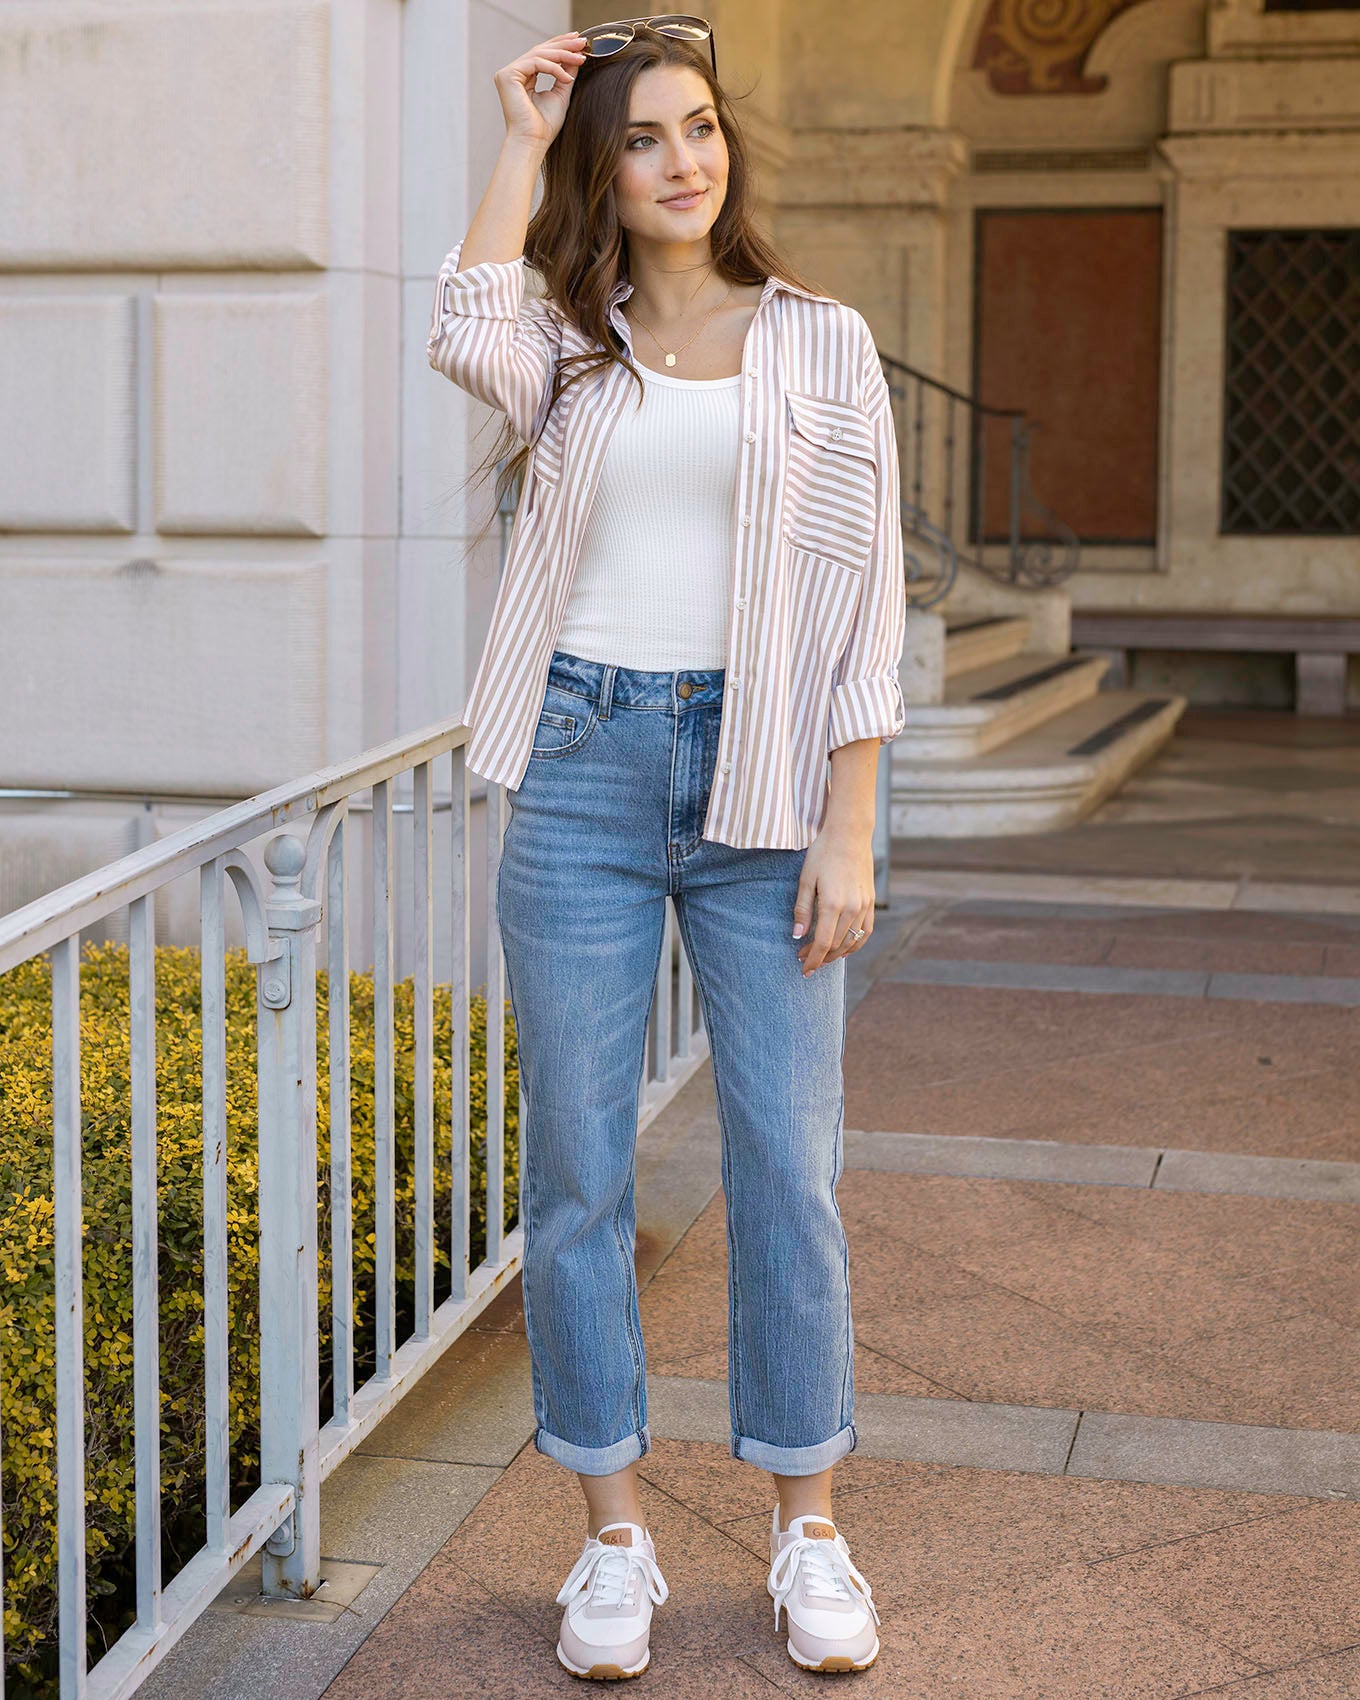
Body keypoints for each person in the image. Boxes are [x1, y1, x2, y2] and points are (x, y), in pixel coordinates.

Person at [426, 14, 904, 1680]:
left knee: (790, 1164)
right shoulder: (566, 345)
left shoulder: (826, 344)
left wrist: (850, 826)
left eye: (699, 128)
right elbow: (462, 321)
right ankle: (613, 1539)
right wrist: (518, 130)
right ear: (605, 174)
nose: (682, 159)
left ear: (729, 148)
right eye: (642, 139)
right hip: (581, 766)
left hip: (769, 780)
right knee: (578, 1170)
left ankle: (808, 1533)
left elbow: (865, 606)